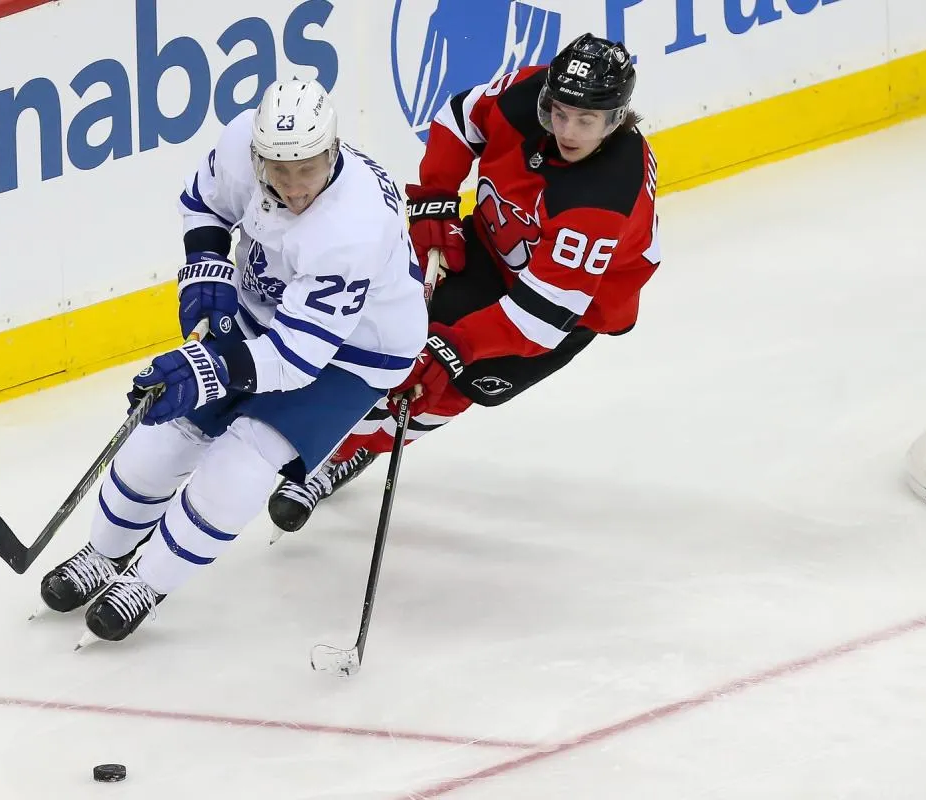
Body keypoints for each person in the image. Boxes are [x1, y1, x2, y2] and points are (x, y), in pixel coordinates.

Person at [37, 77, 428, 644]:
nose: (293, 186)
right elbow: (204, 206)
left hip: (355, 349)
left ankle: (147, 582)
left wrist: (203, 372)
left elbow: (295, 360)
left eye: (308, 169)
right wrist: (207, 269)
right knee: (167, 436)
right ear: (257, 152)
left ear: (333, 150)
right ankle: (103, 553)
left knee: (242, 460)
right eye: (278, 168)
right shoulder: (242, 140)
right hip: (265, 304)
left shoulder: (352, 229)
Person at [268, 34, 662, 534]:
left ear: (617, 118)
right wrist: (435, 195)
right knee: (392, 338)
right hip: (494, 245)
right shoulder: (528, 93)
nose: (566, 129)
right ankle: (334, 435)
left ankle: (351, 451)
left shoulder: (604, 197)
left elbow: (540, 316)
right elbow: (460, 120)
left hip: (569, 308)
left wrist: (456, 347)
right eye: (559, 113)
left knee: (448, 385)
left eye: (586, 121)